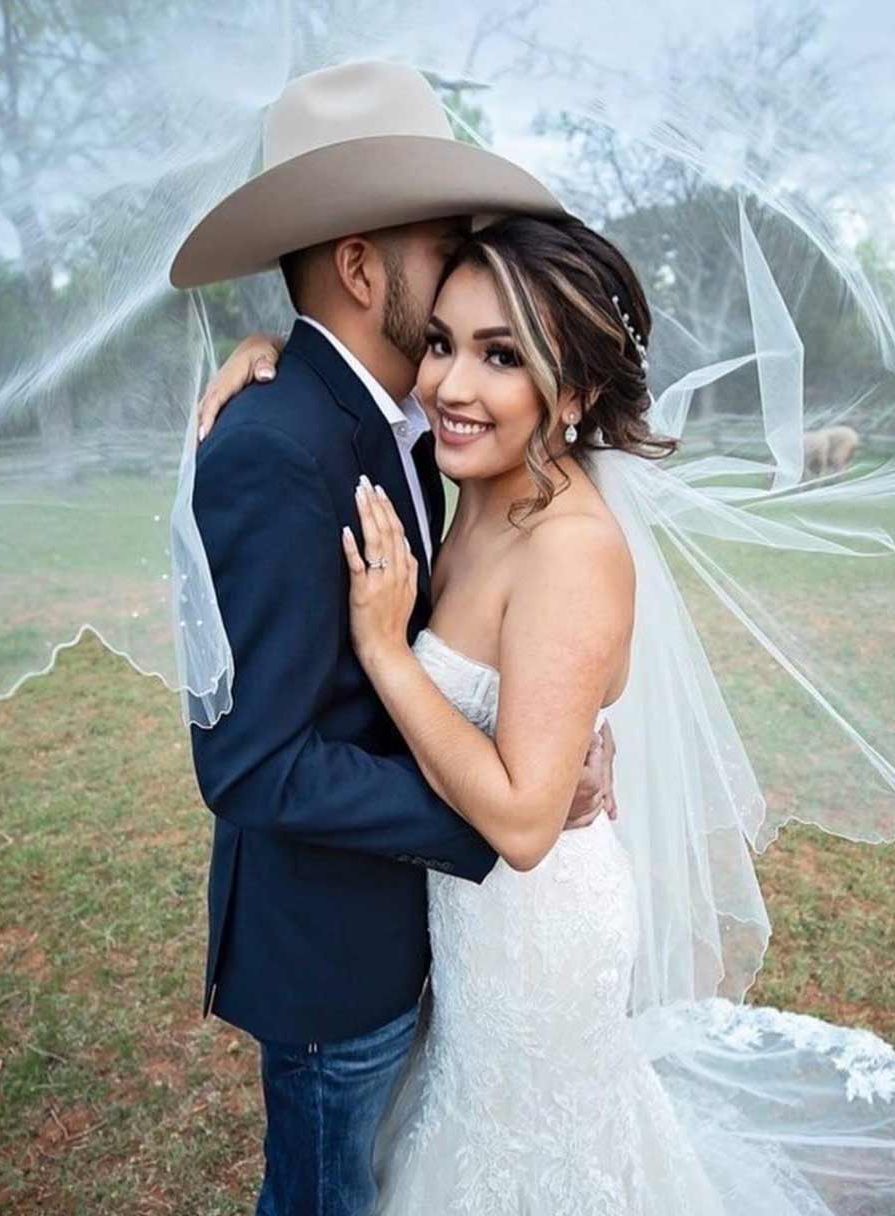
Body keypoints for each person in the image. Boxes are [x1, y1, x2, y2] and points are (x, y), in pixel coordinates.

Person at [203, 213, 895, 1214]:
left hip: (532, 932)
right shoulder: (473, 482)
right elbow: (359, 404)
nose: (448, 382)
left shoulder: (569, 545)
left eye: (500, 356)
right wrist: (281, 352)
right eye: (441, 342)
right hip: (461, 922)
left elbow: (528, 820)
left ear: (570, 391)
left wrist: (387, 653)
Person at [172, 61, 615, 1216]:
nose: (467, 261)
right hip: (333, 960)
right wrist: (516, 803)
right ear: (363, 266)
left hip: (433, 946)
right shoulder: (272, 446)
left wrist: (549, 737)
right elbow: (250, 761)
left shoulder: (423, 424)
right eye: (444, 243)